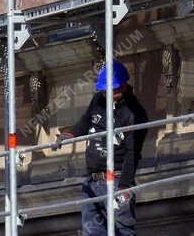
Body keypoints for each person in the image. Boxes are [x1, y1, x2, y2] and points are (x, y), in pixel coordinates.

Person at [62, 61, 149, 236]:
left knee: (122, 230)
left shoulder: (134, 114)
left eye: (113, 91)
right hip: (93, 181)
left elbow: (133, 154)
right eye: (106, 91)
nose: (108, 94)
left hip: (116, 180)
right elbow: (86, 121)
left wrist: (124, 186)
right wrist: (70, 134)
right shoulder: (99, 99)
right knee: (92, 230)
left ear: (123, 86)